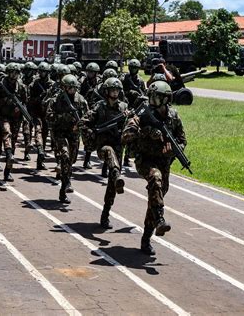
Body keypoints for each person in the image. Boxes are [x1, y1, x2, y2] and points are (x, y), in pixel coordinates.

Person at [122, 81, 187, 255]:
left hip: (164, 162)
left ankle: (146, 238)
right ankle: (160, 219)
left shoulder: (173, 117)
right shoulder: (142, 114)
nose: (152, 100)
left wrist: (175, 149)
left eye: (157, 97)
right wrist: (146, 131)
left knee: (156, 196)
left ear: (166, 99)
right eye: (151, 96)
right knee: (155, 179)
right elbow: (126, 135)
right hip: (145, 161)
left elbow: (182, 140)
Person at [80, 78, 128, 229]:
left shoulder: (124, 108)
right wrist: (91, 134)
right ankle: (115, 173)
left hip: (118, 147)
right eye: (112, 90)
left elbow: (131, 127)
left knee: (112, 185)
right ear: (106, 91)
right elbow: (83, 122)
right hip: (103, 147)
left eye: (117, 90)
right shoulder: (99, 107)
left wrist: (127, 122)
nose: (115, 92)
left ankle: (105, 214)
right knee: (109, 152)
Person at [47, 74, 88, 204]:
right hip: (59, 133)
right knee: (64, 157)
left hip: (73, 134)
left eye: (74, 87)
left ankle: (63, 189)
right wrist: (63, 116)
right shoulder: (56, 100)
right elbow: (49, 116)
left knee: (71, 161)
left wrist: (80, 124)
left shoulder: (81, 100)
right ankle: (67, 184)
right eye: (69, 88)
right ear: (64, 88)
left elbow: (88, 116)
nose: (72, 90)